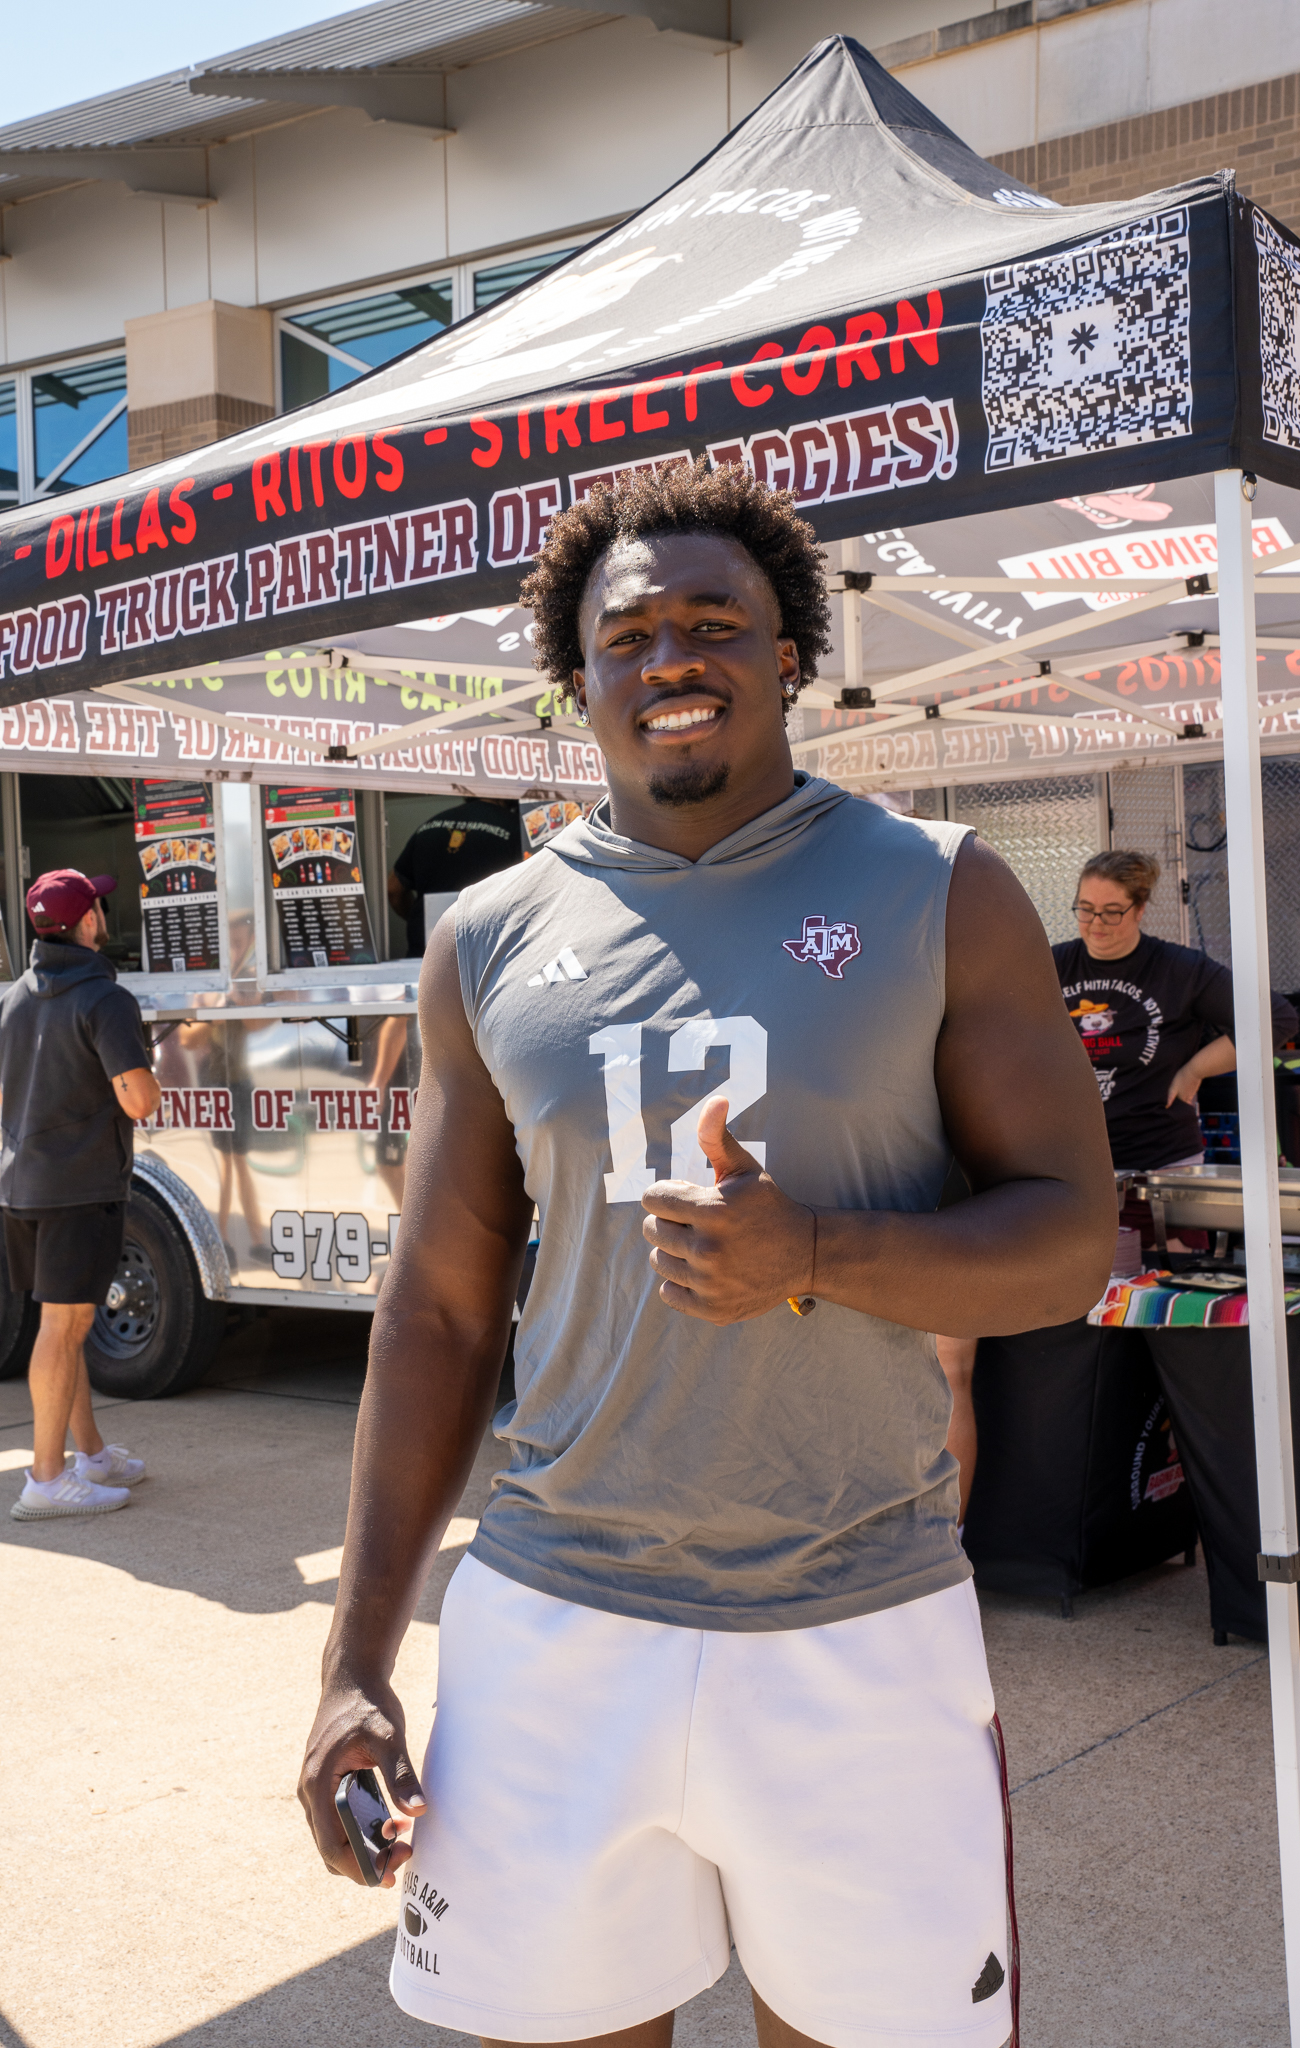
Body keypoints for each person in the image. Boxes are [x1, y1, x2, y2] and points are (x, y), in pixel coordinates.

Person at [299, 463, 1115, 2048]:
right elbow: (443, 1311)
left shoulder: (938, 887)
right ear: (577, 675)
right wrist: (356, 1663)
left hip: (855, 1623)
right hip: (553, 1623)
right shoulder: (488, 935)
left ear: (787, 653)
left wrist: (811, 1247)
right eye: (631, 633)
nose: (671, 656)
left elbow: (1067, 1245)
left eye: (712, 623)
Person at [1, 869, 161, 1520]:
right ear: (88, 921)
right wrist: (149, 1082)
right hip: (78, 1187)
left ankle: (90, 1454)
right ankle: (45, 1478)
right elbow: (138, 1098)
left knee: (60, 1328)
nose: (102, 912)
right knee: (65, 1328)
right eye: (98, 904)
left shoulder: (13, 997)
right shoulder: (104, 998)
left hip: (22, 1182)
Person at [1053, 850, 1297, 1176]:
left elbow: (1276, 1018)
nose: (1096, 923)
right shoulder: (1051, 965)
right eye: (1085, 910)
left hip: (1161, 1164)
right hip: (1071, 1166)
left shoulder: (1179, 969)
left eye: (1111, 912)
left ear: (1139, 910)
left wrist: (1195, 1070)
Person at [387, 796, 523, 956]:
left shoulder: (430, 826)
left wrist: (421, 919)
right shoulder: (516, 829)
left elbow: (394, 889)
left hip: (427, 952)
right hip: (484, 954)